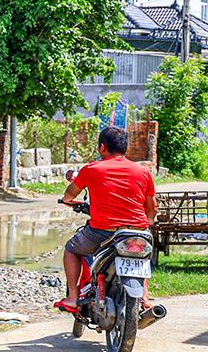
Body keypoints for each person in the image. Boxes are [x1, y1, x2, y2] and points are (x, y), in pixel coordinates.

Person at [56, 125, 157, 313]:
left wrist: (67, 200)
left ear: (102, 147)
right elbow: (151, 207)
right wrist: (147, 223)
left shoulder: (92, 169)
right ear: (125, 147)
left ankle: (72, 297)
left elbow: (70, 194)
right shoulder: (143, 171)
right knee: (140, 257)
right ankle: (144, 298)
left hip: (103, 233)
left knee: (71, 249)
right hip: (138, 232)